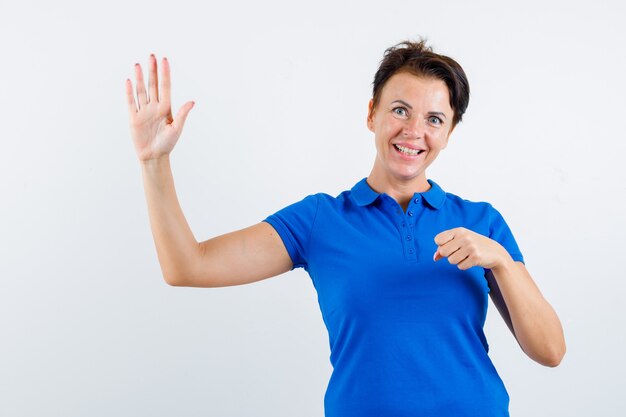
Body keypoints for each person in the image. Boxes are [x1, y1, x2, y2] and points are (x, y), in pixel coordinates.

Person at [126, 40, 565, 417]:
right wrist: (154, 162)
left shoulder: (481, 222)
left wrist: (503, 263)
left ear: (449, 132)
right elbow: (187, 266)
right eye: (400, 110)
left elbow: (550, 351)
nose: (414, 131)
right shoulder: (321, 220)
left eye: (434, 119)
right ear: (372, 114)